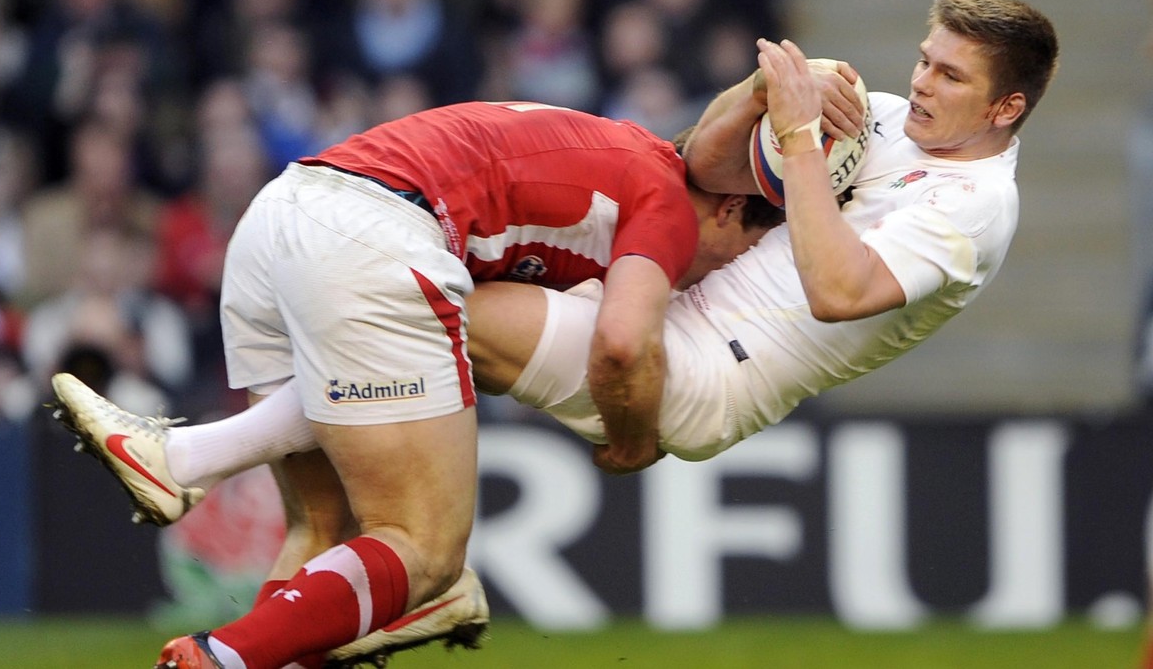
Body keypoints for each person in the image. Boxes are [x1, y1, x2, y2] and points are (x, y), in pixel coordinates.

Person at [58, 0, 1060, 665]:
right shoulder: (886, 118)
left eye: (950, 78)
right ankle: (314, 540)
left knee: (415, 319)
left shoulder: (975, 211)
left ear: (1007, 107)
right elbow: (698, 156)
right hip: (662, 308)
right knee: (334, 500)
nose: (920, 86)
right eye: (925, 60)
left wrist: (798, 136)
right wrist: (766, 95)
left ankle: (207, 471)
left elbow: (838, 286)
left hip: (709, 368)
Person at [51, 98, 801, 669]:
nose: (719, 276)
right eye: (744, 253)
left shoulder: (623, 151)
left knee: (325, 536)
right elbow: (623, 344)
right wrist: (634, 439)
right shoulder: (668, 206)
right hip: (372, 238)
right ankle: (219, 657)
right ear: (733, 207)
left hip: (283, 216)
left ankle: (188, 460)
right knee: (426, 549)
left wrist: (774, 88)